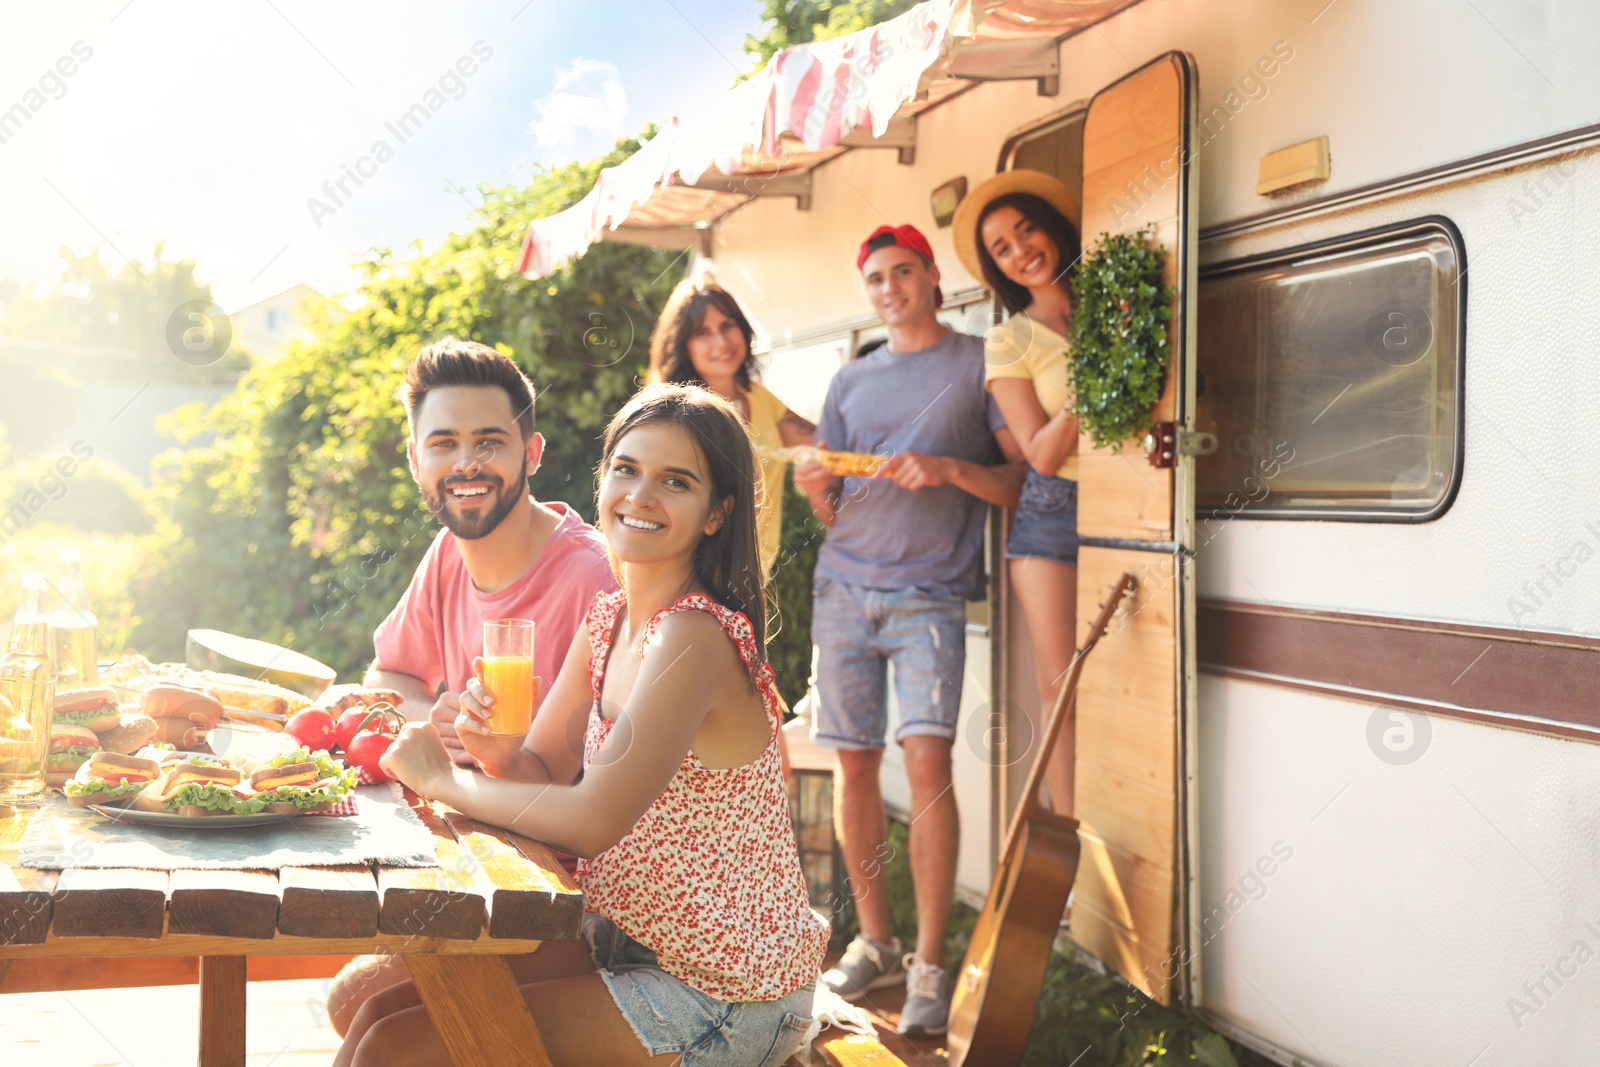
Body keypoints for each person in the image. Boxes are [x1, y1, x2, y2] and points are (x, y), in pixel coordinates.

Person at [336, 383, 829, 1067]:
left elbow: (594, 819)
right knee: (374, 1014)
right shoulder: (609, 619)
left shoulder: (693, 637)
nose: (640, 495)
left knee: (398, 1047)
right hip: (622, 941)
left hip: (726, 991)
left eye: (675, 481)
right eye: (626, 469)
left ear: (718, 513)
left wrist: (445, 780)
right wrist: (496, 748)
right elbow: (539, 769)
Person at [324, 337, 617, 1036]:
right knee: (351, 1003)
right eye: (444, 442)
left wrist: (467, 755)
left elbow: (587, 796)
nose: (466, 463)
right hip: (486, 860)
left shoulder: (592, 579)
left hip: (585, 901)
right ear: (415, 457)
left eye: (490, 441)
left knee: (384, 1030)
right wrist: (437, 715)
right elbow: (388, 676)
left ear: (533, 453)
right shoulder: (449, 555)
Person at [794, 224, 1025, 1037]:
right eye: (875, 279)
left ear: (932, 278)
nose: (888, 288)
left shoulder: (976, 362)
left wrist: (950, 468)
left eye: (902, 272)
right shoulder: (850, 383)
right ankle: (877, 940)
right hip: (844, 589)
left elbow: (1017, 479)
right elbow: (834, 508)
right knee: (853, 766)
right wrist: (816, 483)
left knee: (926, 760)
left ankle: (930, 963)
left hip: (930, 592)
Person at [954, 169, 1083, 818]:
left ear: (1052, 229)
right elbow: (1040, 452)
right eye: (1001, 247)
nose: (1020, 249)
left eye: (1026, 229)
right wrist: (1097, 381)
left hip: (1136, 505)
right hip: (1053, 516)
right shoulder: (1010, 338)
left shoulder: (1115, 301)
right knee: (1063, 685)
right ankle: (1071, 838)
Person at [648, 275, 815, 577]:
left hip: (752, 577)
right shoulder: (667, 411)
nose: (722, 342)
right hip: (687, 578)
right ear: (682, 344)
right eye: (703, 333)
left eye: (727, 326)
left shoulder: (761, 398)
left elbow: (823, 443)